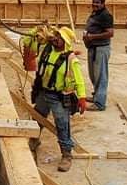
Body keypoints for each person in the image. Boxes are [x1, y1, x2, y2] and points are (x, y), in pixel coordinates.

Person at [20, 25, 87, 172]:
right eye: (56, 36)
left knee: (62, 124)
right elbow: (27, 41)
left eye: (60, 38)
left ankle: (66, 155)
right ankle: (34, 139)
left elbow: (79, 80)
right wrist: (36, 30)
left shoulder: (71, 59)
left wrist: (82, 97)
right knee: (38, 117)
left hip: (59, 96)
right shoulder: (48, 50)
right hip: (43, 92)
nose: (56, 39)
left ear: (65, 42)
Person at [83, 0, 114, 111]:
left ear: (103, 4)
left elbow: (110, 33)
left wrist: (92, 37)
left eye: (97, 2)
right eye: (94, 2)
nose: (95, 4)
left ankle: (100, 103)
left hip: (101, 49)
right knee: (93, 74)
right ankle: (96, 96)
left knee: (101, 76)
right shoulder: (96, 13)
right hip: (93, 48)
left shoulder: (106, 16)